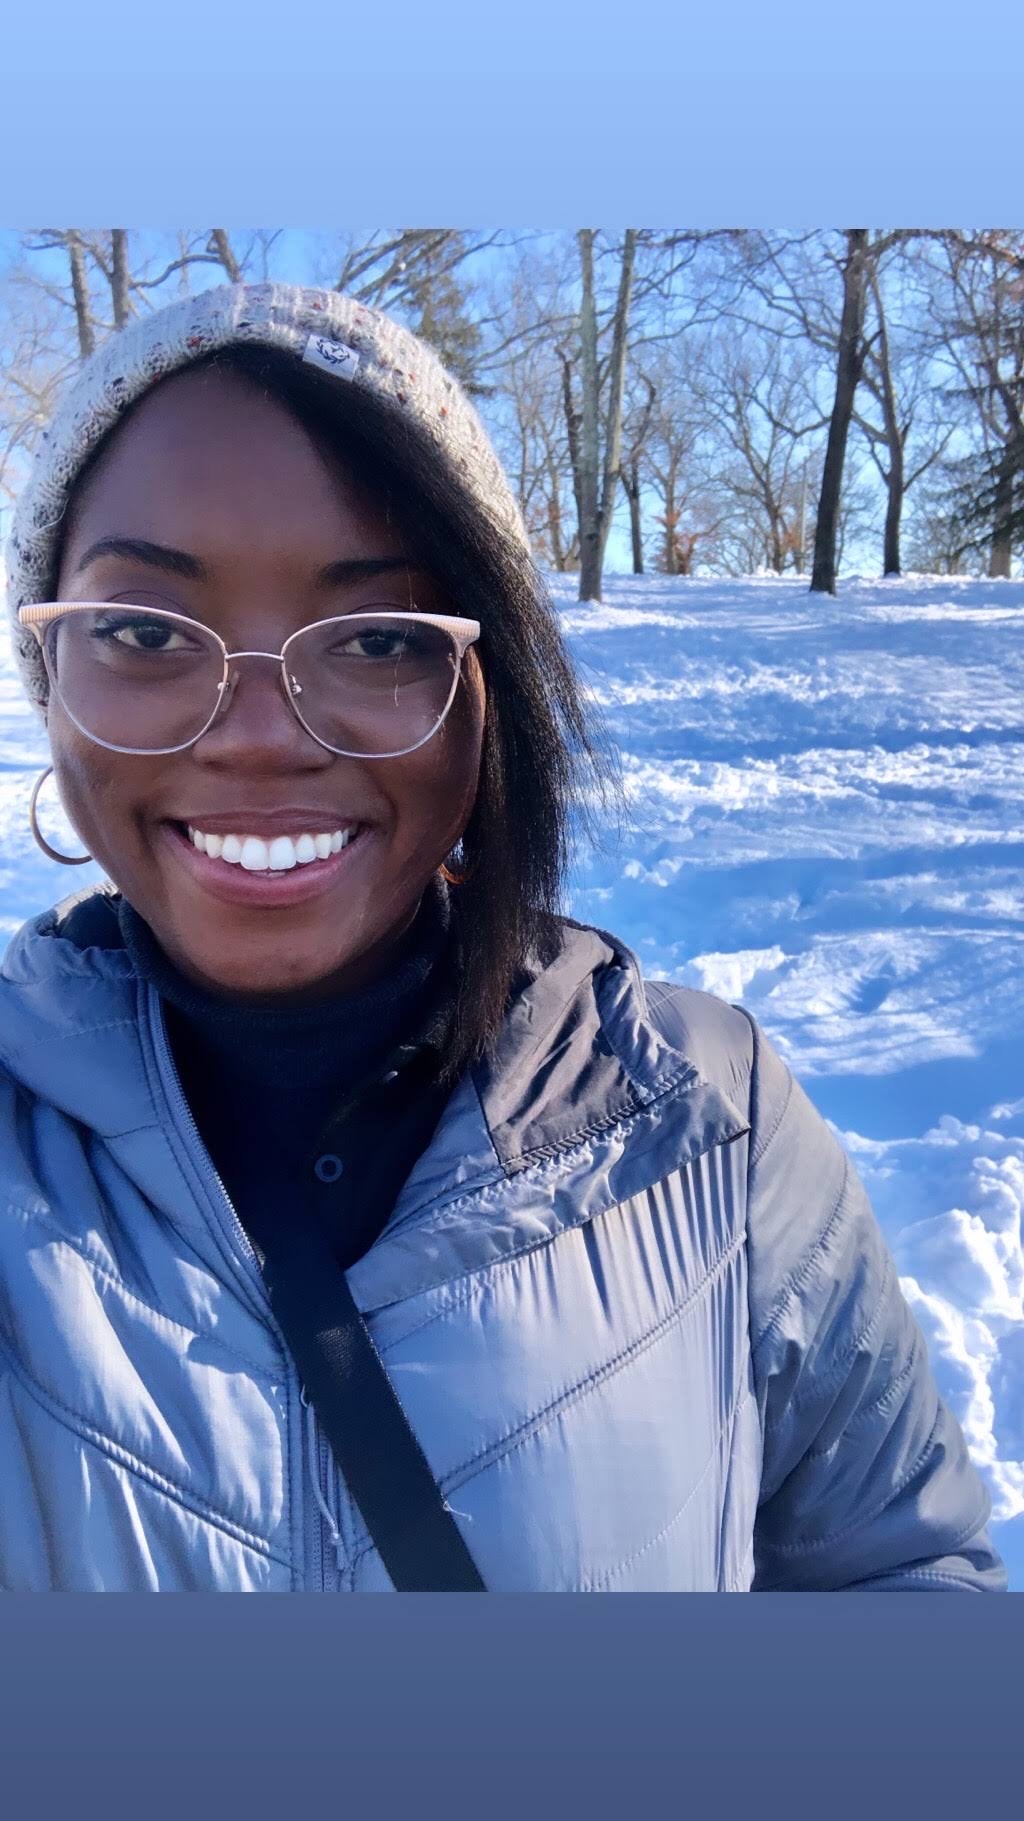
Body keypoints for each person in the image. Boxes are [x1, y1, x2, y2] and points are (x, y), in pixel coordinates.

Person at [0, 283, 1007, 1593]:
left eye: (374, 635)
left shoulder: (713, 1126)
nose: (255, 731)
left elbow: (907, 1572)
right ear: (54, 684)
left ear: (491, 707)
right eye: (143, 631)